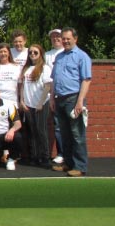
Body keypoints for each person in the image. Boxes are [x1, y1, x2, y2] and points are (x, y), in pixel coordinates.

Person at [50, 27, 92, 177]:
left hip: (73, 98)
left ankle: (80, 166)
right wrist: (52, 98)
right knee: (65, 134)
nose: (65, 41)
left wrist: (80, 101)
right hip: (59, 99)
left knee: (77, 134)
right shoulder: (60, 57)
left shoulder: (82, 56)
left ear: (75, 39)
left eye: (68, 38)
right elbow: (54, 79)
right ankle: (68, 163)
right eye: (64, 38)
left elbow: (86, 80)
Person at [19, 44, 52, 167]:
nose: (32, 54)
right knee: (32, 131)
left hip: (41, 104)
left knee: (41, 131)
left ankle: (45, 157)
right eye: (31, 52)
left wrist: (40, 103)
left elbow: (48, 86)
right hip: (28, 105)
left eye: (35, 52)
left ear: (41, 54)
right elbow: (22, 86)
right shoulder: (26, 68)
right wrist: (22, 101)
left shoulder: (45, 68)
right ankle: (34, 156)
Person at [45, 28, 64, 164]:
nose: (56, 39)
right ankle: (60, 153)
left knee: (67, 126)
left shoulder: (67, 53)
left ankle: (67, 153)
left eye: (58, 36)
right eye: (53, 37)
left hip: (64, 93)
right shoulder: (46, 55)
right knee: (56, 125)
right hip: (50, 95)